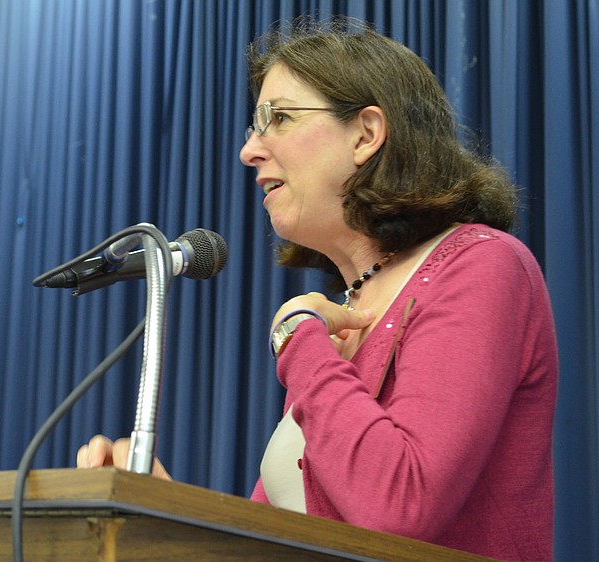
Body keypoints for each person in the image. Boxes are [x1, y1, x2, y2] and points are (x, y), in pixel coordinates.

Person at [77, 17, 557, 562]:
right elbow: (283, 540)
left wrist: (297, 339)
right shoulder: (340, 317)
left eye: (277, 118)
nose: (249, 151)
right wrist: (163, 514)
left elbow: (398, 505)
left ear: (366, 134)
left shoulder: (480, 264)